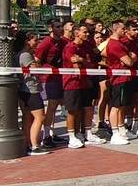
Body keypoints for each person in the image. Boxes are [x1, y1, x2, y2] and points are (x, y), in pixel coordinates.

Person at [62, 25, 98, 148]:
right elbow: (75, 65)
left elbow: (90, 64)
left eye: (87, 32)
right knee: (73, 111)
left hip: (84, 82)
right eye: (84, 32)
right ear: (77, 33)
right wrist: (82, 62)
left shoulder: (84, 47)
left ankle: (86, 133)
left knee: (87, 108)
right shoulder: (70, 47)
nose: (87, 34)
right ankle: (71, 137)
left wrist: (82, 60)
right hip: (72, 83)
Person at [34, 19, 66, 149]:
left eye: (61, 27)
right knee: (51, 106)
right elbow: (37, 60)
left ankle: (51, 133)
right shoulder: (46, 43)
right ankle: (46, 136)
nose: (61, 29)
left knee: (57, 105)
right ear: (51, 28)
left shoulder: (63, 41)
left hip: (59, 77)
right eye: (58, 27)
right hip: (48, 78)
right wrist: (40, 74)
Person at [105, 21, 136, 146]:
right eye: (122, 29)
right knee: (116, 106)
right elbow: (129, 61)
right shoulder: (114, 44)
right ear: (116, 29)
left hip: (124, 78)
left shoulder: (119, 43)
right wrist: (131, 58)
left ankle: (121, 128)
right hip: (118, 79)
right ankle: (115, 133)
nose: (125, 31)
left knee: (122, 106)